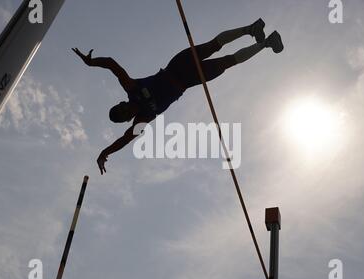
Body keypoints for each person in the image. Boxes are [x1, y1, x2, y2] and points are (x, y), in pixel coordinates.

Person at [73, 19, 284, 175]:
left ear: (122, 103)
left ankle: (251, 29)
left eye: (121, 109)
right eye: (123, 115)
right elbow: (126, 139)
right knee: (229, 62)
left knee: (213, 46)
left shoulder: (131, 88)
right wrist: (105, 152)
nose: (126, 111)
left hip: (178, 66)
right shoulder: (143, 118)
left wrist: (91, 63)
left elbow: (112, 64)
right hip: (188, 81)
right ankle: (266, 44)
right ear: (127, 119)